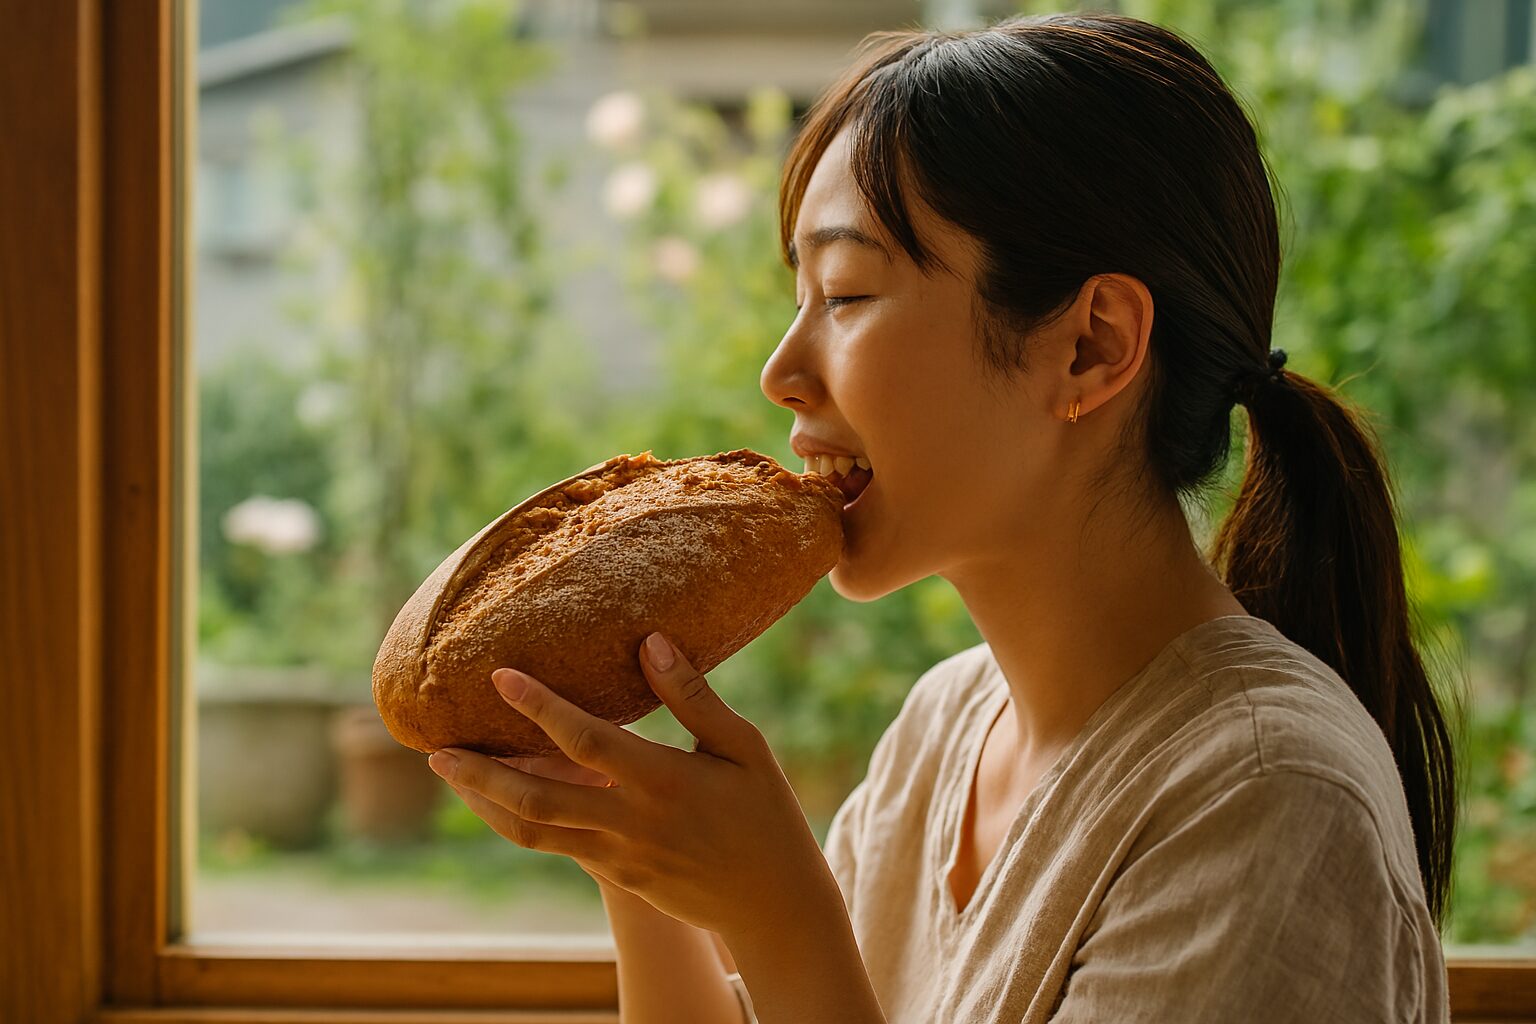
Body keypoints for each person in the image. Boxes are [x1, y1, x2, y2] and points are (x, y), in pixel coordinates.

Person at [435, 12, 1459, 1022]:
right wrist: (634, 859)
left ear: (1091, 347)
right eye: (798, 297)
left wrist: (784, 919)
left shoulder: (1271, 794)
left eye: (845, 293)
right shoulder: (947, 723)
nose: (780, 372)